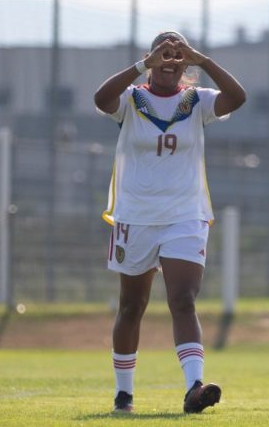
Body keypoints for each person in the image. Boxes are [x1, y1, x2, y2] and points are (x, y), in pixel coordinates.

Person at [94, 30, 246, 414]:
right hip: (136, 216)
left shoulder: (197, 101)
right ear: (151, 58)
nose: (170, 59)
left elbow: (238, 97)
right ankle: (123, 394)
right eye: (163, 52)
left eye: (177, 54)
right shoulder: (132, 99)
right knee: (132, 306)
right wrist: (142, 64)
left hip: (185, 215)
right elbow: (100, 99)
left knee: (183, 299)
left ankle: (194, 388)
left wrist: (203, 60)